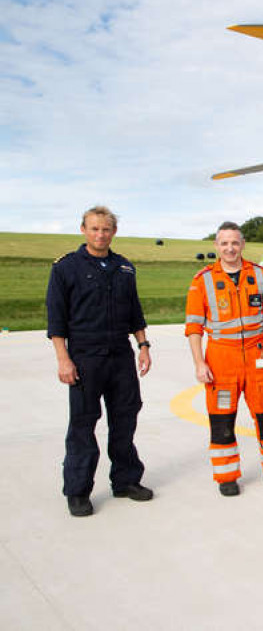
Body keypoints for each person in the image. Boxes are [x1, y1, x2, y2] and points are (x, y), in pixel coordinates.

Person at [46, 205, 154, 517]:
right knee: (83, 424)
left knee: (125, 419)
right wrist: (63, 360)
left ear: (113, 232)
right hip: (85, 357)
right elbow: (57, 320)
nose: (100, 234)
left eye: (105, 229)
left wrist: (143, 346)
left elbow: (135, 311)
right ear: (83, 229)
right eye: (94, 228)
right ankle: (78, 490)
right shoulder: (66, 267)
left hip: (120, 356)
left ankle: (126, 480)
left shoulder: (124, 268)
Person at [185, 222, 263, 496]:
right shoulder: (202, 280)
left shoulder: (259, 275)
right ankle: (226, 476)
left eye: (234, 242)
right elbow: (194, 327)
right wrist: (199, 363)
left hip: (259, 356)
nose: (229, 248)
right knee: (222, 421)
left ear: (242, 244)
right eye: (224, 243)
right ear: (217, 247)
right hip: (221, 359)